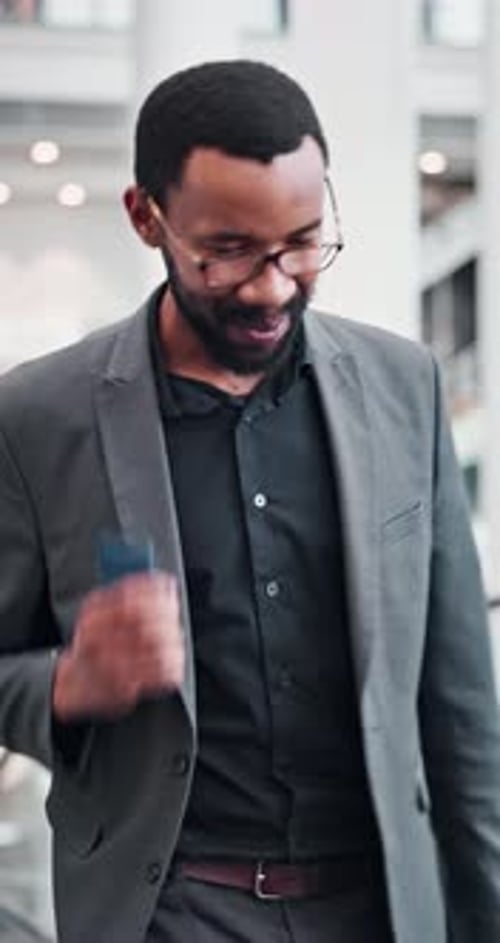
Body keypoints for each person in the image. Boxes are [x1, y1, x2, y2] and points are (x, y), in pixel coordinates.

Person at [0, 59, 498, 943]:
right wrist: (71, 682)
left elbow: (459, 708)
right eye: (228, 250)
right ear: (146, 216)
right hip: (172, 910)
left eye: (304, 242)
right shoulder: (38, 418)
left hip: (380, 907)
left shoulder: (402, 385)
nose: (274, 285)